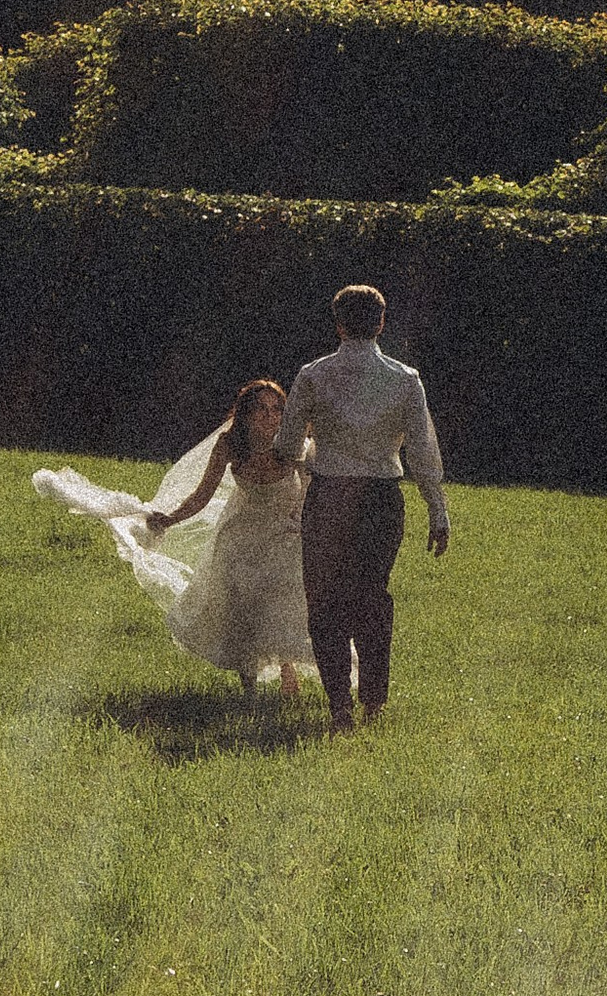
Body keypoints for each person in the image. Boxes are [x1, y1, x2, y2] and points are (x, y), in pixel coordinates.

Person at [31, 378, 314, 696]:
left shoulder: (292, 444)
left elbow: (307, 489)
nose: (270, 416)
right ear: (245, 415)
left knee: (280, 602)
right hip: (240, 534)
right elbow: (201, 496)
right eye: (261, 409)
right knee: (239, 605)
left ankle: (288, 671)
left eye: (276, 409)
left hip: (284, 533)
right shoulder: (229, 444)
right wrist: (170, 518)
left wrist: (300, 519)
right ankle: (249, 686)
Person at [275, 283, 448, 729]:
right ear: (382, 323)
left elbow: (289, 445)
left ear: (337, 324)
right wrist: (437, 508)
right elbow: (423, 450)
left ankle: (338, 705)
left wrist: (311, 454)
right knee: (372, 597)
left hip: (330, 493)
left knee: (325, 602)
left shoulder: (313, 375)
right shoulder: (405, 380)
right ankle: (373, 699)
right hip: (381, 498)